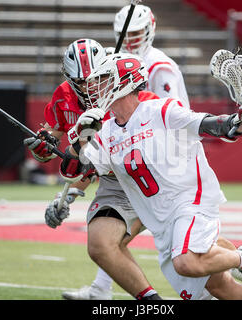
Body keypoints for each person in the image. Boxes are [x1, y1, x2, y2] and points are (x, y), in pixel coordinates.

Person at [61, 4, 242, 300]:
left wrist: (238, 122)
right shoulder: (105, 130)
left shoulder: (159, 109)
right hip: (161, 219)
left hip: (189, 198)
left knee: (187, 262)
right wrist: (81, 138)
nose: (96, 86)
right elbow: (73, 169)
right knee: (218, 288)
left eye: (104, 80)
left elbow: (208, 124)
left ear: (123, 83)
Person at [24, 38, 162, 300]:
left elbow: (93, 160)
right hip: (114, 183)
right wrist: (42, 146)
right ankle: (115, 294)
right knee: (105, 245)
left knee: (191, 261)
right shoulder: (64, 95)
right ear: (69, 78)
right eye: (81, 82)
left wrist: (68, 193)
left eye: (95, 79)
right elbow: (56, 141)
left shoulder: (131, 99)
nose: (89, 88)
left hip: (149, 179)